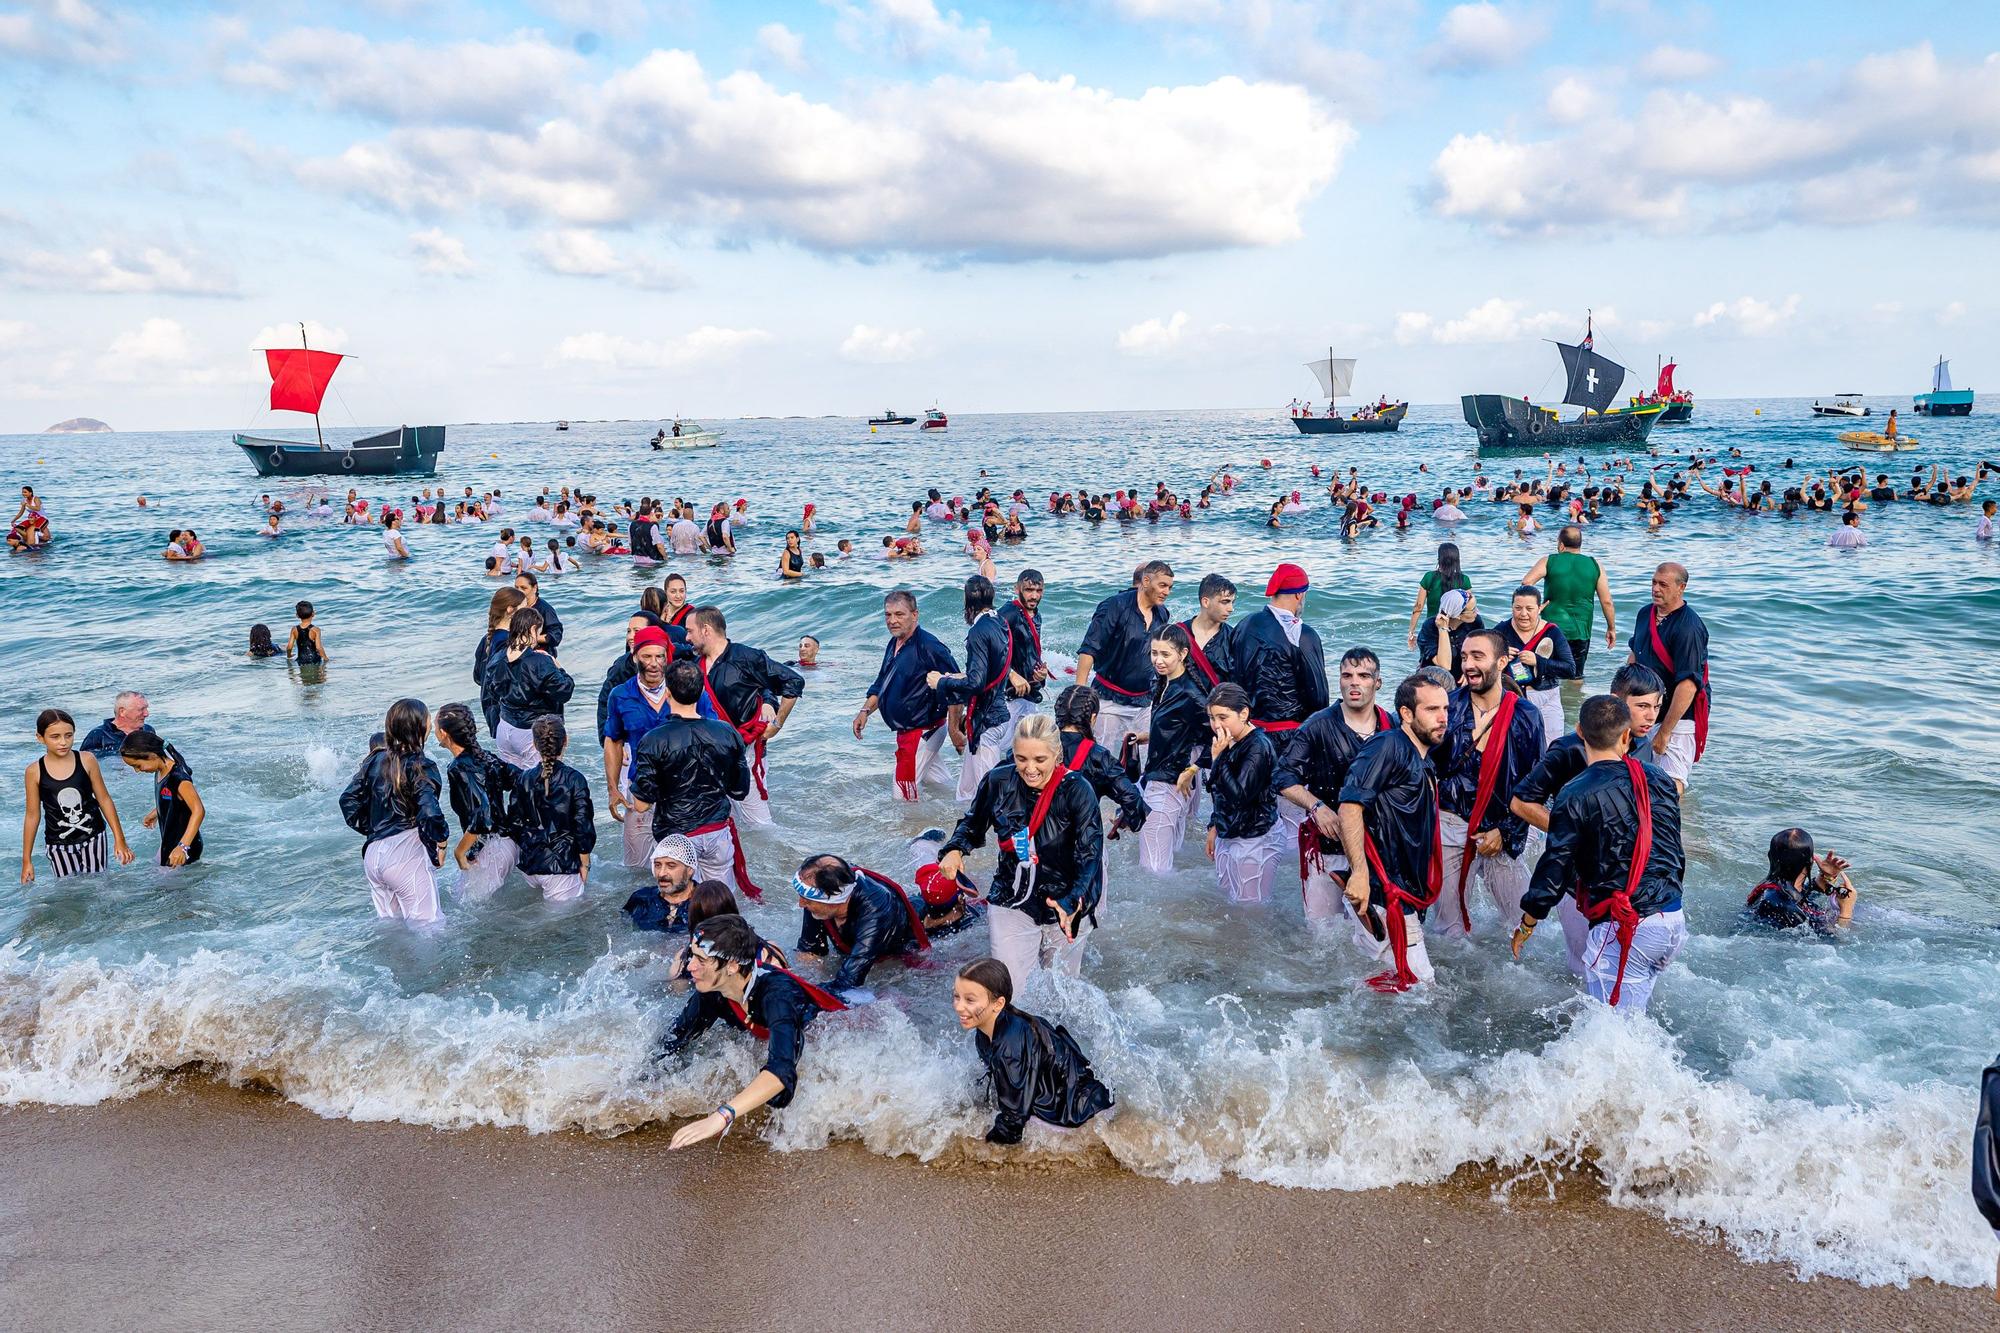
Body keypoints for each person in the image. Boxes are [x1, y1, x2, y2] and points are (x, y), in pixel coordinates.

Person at [1513, 695, 1687, 1012]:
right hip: (1672, 920)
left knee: (1612, 1030)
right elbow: (1673, 849)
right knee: (1631, 1021)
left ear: (1579, 731)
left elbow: (1555, 866)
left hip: (1627, 926)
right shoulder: (1659, 778)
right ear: (1626, 736)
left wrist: (1528, 922)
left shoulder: (1576, 792)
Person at [1509, 663, 1664, 973]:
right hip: (1575, 882)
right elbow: (1521, 802)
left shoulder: (1644, 746)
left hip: (1625, 881)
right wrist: (1577, 835)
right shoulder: (1568, 750)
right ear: (1616, 701)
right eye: (1643, 706)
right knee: (1583, 964)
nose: (1651, 716)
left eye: (1657, 707)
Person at [937, 714, 1103, 993]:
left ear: (1057, 754)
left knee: (1063, 994)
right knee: (1010, 993)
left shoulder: (1078, 790)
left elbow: (1090, 854)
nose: (1030, 769)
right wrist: (955, 849)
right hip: (1011, 899)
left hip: (1066, 902)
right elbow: (972, 825)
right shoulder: (998, 781)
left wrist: (1073, 899)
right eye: (1021, 758)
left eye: (1040, 760)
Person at [661, 914, 847, 1150]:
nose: (690, 966)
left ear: (732, 966)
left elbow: (782, 1073)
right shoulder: (713, 992)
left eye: (700, 959)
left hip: (833, 1031)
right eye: (691, 955)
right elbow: (673, 1041)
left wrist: (721, 1116)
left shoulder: (778, 995)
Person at [1337, 672, 1447, 990]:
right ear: (1407, 714)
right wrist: (1359, 873)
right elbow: (1350, 804)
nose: (1442, 718)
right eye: (1432, 710)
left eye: (1445, 709)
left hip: (1402, 891)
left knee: (1396, 981)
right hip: (1388, 892)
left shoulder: (1423, 755)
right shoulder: (1387, 746)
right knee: (1422, 988)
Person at [1277, 648, 1392, 927]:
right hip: (1326, 844)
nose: (1354, 682)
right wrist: (1317, 808)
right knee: (1324, 934)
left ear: (1377, 683)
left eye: (1363, 676)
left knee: (1376, 934)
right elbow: (1283, 777)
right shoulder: (1317, 725)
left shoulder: (1393, 727)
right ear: (1339, 681)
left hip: (1377, 847)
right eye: (1347, 675)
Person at [628, 657, 759, 898]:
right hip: (717, 831)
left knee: (682, 910)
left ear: (667, 692)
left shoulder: (653, 740)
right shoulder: (726, 732)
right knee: (721, 904)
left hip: (676, 838)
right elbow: (740, 790)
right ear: (701, 692)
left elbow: (641, 804)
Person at [953, 957, 1114, 1145]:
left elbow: (1013, 1122)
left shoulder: (1009, 1043)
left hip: (1083, 1111)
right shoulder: (987, 1029)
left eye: (969, 1000)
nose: (959, 1006)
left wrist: (981, 1146)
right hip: (1087, 1095)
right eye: (956, 996)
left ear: (998, 1004)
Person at [687, 605, 804, 828]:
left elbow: (793, 681)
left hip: (746, 752)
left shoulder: (747, 657)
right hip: (711, 755)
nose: (687, 637)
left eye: (690, 631)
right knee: (726, 820)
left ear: (706, 630)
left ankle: (787, 858)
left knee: (760, 824)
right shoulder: (694, 665)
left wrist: (777, 724)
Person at [340, 699, 448, 920]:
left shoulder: (375, 759)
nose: (430, 724)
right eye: (428, 719)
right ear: (419, 727)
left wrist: (374, 827)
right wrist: (442, 841)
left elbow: (347, 800)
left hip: (373, 855)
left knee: (392, 929)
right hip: (405, 852)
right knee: (430, 927)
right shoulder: (420, 765)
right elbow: (429, 812)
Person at [856, 589, 961, 800]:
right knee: (940, 785)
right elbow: (881, 683)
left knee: (902, 796)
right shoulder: (894, 643)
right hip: (911, 732)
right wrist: (865, 711)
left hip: (921, 731)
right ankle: (959, 814)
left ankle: (909, 831)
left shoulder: (929, 646)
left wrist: (954, 729)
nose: (892, 620)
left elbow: (956, 685)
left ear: (915, 615)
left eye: (899, 614)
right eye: (888, 615)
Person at [930, 575, 1024, 801]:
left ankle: (998, 835)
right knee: (965, 793)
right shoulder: (1000, 622)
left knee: (990, 797)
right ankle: (965, 831)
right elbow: (992, 670)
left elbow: (976, 683)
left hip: (987, 722)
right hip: (997, 715)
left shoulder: (978, 631)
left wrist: (941, 682)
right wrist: (959, 676)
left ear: (967, 603)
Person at [792, 854, 934, 996]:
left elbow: (848, 982)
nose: (801, 904)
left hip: (907, 929)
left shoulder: (876, 912)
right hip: (868, 920)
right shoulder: (819, 896)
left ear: (834, 901)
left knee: (930, 903)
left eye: (807, 900)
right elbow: (809, 950)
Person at [21, 708, 134, 881]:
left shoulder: (87, 760)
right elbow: (32, 815)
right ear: (40, 738)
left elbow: (104, 799)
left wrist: (120, 839)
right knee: (69, 894)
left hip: (93, 837)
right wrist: (26, 860)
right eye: (55, 737)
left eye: (69, 735)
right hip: (58, 845)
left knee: (98, 885)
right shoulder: (34, 772)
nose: (63, 742)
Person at [1074, 560, 1173, 756]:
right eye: (1162, 585)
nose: (1167, 591)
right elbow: (1089, 649)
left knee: (1143, 763)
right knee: (1103, 759)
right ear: (1145, 581)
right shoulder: (1114, 606)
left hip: (1145, 701)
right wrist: (1080, 693)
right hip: (1109, 701)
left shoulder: (1162, 614)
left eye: (1170, 587)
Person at [1627, 561, 1709, 792]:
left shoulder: (1689, 628)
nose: (1655, 589)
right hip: (1643, 710)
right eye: (1653, 582)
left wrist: (1664, 733)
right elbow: (1635, 655)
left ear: (1681, 588)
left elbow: (1688, 686)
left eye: (1663, 585)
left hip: (1678, 717)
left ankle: (1670, 825)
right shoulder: (1645, 614)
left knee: (1671, 783)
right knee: (1636, 777)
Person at [1136, 626, 1210, 874]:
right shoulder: (1164, 683)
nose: (1158, 660)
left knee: (1153, 871)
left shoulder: (1191, 693)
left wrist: (1193, 768)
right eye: (1154, 653)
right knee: (1163, 863)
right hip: (1161, 781)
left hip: (1169, 785)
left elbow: (1223, 736)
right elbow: (1181, 728)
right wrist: (1151, 735)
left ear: (1183, 654)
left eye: (1166, 654)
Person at [1200, 682, 1282, 904]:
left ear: (1243, 713)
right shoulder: (1229, 741)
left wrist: (1219, 759)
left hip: (1256, 834)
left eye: (1223, 718)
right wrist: (1214, 825)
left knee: (1250, 906)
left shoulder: (1258, 746)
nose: (1216, 725)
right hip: (1229, 831)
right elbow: (1219, 791)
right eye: (1212, 718)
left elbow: (1239, 796)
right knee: (1228, 899)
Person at [603, 627, 677, 869]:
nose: (654, 664)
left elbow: (707, 734)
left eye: (659, 656)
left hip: (680, 791)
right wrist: (613, 789)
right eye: (647, 657)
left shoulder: (684, 689)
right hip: (640, 789)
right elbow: (613, 741)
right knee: (634, 868)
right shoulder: (621, 695)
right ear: (635, 657)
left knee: (680, 866)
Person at [434, 701, 519, 900]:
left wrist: (459, 853)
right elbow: (520, 779)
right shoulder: (486, 757)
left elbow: (482, 817)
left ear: (444, 733)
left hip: (491, 851)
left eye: (436, 725)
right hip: (509, 845)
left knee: (468, 908)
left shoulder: (459, 767)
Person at [509, 716, 594, 902]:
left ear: (534, 744)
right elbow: (583, 825)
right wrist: (585, 864)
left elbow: (514, 822)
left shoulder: (523, 778)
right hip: (561, 867)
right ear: (566, 741)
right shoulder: (575, 779)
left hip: (529, 864)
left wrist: (530, 845)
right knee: (561, 927)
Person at [483, 606, 573, 770]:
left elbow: (491, 690)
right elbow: (564, 691)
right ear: (533, 629)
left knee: (514, 781)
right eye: (538, 632)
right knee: (539, 781)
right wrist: (559, 667)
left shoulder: (498, 656)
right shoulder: (539, 661)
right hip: (531, 731)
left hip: (505, 727)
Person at [1524, 529, 1614, 682]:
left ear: (1561, 545)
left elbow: (1526, 583)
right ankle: (1574, 705)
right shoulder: (1594, 564)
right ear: (1580, 544)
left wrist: (1536, 608)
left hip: (1551, 630)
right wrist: (1611, 628)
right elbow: (1607, 601)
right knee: (1575, 677)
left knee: (1546, 673)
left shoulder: (1549, 560)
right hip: (1580, 632)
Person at [1498, 586, 1573, 747]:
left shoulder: (1551, 632)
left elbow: (1569, 669)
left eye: (1529, 609)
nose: (1523, 614)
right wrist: (1499, 655)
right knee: (1515, 749)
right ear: (1511, 607)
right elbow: (1483, 661)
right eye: (1518, 608)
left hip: (1547, 695)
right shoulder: (1500, 631)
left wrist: (1538, 661)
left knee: (1551, 748)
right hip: (1511, 697)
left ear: (1540, 608)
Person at [1744, 828, 1857, 932]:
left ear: (1770, 857)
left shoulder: (1772, 889)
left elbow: (1803, 896)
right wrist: (1846, 910)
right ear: (1811, 861)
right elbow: (1834, 940)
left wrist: (1825, 877)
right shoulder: (1786, 907)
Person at [119, 731, 203, 868]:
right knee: (155, 877)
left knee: (167, 888)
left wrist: (183, 846)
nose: (137, 771)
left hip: (183, 847)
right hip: (169, 842)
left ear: (152, 756)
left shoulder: (178, 778)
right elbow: (174, 800)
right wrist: (156, 812)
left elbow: (198, 810)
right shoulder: (160, 770)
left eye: (137, 766)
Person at [999, 569, 1049, 727]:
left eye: (1038, 590)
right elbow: (984, 648)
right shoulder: (1007, 614)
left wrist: (1040, 675)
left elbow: (1029, 652)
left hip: (1028, 691)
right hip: (1009, 695)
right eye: (1028, 590)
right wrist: (1011, 674)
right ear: (1016, 589)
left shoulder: (1036, 614)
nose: (1034, 596)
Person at [1409, 543, 1473, 666]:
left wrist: (1411, 632)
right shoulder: (1464, 580)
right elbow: (1469, 608)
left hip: (1432, 627)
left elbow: (1418, 607)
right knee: (1454, 664)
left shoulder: (1429, 577)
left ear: (1439, 559)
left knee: (1427, 662)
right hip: (1455, 629)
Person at [473, 587, 525, 737]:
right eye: (523, 608)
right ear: (510, 610)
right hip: (504, 712)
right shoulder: (508, 642)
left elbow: (477, 677)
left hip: (489, 708)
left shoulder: (487, 639)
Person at [624, 834, 700, 935]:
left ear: (690, 869)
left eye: (671, 866)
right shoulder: (641, 899)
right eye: (657, 865)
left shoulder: (707, 904)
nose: (661, 873)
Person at [1178, 573, 1236, 693]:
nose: (1231, 609)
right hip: (1179, 708)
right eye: (1225, 602)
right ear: (1205, 602)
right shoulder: (1178, 633)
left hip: (1215, 709)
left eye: (1232, 602)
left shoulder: (1233, 638)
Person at [81, 691, 154, 760]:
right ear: (122, 712)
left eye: (146, 708)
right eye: (141, 709)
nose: (146, 714)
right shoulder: (98, 735)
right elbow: (84, 763)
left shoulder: (148, 730)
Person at [513, 570, 563, 651]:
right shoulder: (513, 606)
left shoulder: (545, 609)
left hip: (540, 652)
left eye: (523, 588)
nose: (519, 591)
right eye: (516, 588)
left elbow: (556, 635)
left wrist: (529, 638)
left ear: (535, 588)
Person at [287, 600, 327, 666]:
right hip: (314, 659)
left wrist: (289, 655)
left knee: (303, 676)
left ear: (297, 615)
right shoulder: (316, 630)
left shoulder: (294, 629)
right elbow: (319, 647)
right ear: (313, 614)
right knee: (318, 675)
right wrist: (325, 658)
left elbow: (289, 647)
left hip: (301, 660)